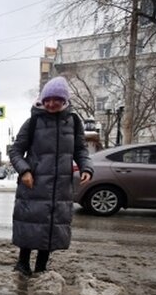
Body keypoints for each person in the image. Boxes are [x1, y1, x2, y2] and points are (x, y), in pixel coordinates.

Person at [8, 76, 93, 276]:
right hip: (34, 182)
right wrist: (25, 170)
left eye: (56, 99)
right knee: (31, 223)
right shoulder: (33, 121)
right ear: (42, 100)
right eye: (48, 99)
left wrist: (86, 168)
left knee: (51, 225)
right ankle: (22, 263)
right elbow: (16, 151)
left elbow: (80, 150)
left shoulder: (73, 122)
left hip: (60, 184)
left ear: (64, 100)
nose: (51, 103)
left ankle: (41, 267)